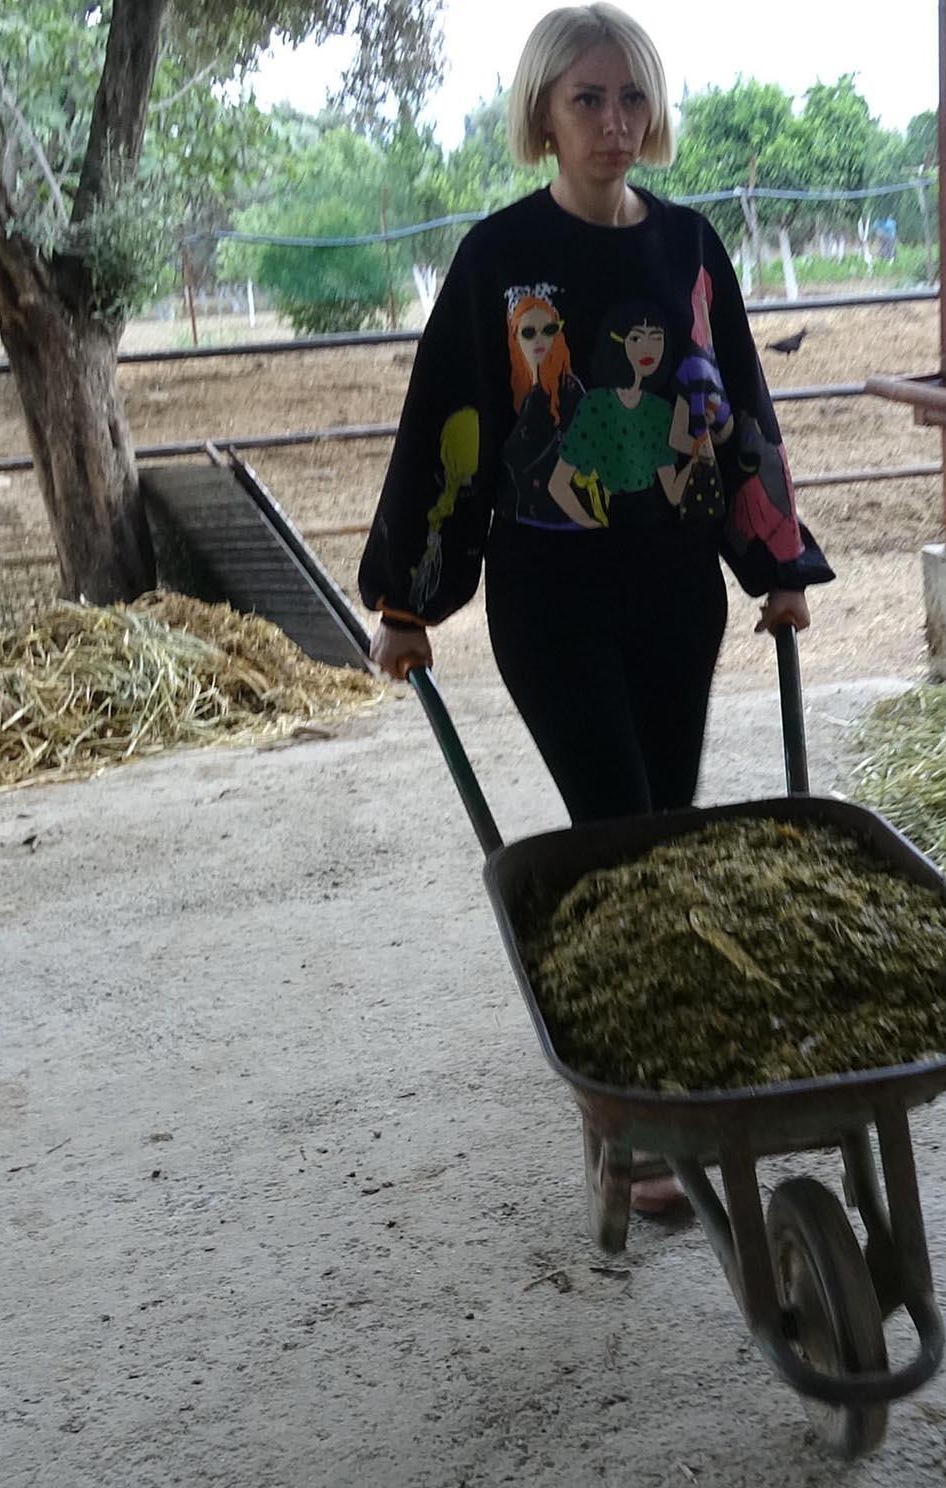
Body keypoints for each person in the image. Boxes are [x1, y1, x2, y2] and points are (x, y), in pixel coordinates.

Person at [359, 3, 835, 1217]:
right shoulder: (496, 260)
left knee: (666, 833)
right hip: (552, 597)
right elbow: (451, 427)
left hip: (676, 592)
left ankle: (654, 1088)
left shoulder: (687, 247)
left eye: (631, 99)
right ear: (543, 113)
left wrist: (773, 555)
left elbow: (732, 404)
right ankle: (634, 1116)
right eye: (588, 101)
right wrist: (410, 599)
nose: (615, 125)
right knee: (617, 827)